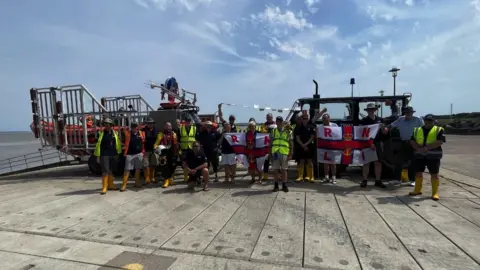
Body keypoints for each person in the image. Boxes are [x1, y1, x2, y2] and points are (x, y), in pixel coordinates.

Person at [408, 114, 445, 200]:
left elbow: (440, 141)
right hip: (419, 155)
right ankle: (417, 190)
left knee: (434, 174)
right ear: (424, 121)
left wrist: (426, 148)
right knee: (418, 172)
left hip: (433, 156)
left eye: (430, 120)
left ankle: (435, 193)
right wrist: (417, 148)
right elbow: (412, 140)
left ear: (433, 121)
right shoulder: (417, 130)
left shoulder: (439, 130)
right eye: (426, 120)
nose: (428, 122)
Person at [390, 106, 424, 186]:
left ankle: (412, 180)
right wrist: (384, 127)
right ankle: (397, 179)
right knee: (398, 161)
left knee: (412, 162)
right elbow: (392, 125)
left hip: (414, 143)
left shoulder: (418, 119)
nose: (408, 114)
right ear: (404, 113)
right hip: (403, 142)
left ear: (412, 113)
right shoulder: (400, 119)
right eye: (406, 112)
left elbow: (424, 129)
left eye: (409, 112)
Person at [359, 103, 388, 188]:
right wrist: (370, 143)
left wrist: (384, 128)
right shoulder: (364, 121)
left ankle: (378, 180)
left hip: (378, 143)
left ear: (375, 110)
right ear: (367, 111)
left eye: (372, 109)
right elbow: (362, 134)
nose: (371, 111)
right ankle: (364, 180)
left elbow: (385, 132)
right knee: (366, 163)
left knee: (378, 163)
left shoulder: (381, 120)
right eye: (369, 110)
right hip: (367, 143)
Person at [94, 118, 122, 195]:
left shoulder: (115, 133)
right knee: (105, 171)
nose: (107, 125)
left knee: (111, 170)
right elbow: (97, 143)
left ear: (111, 125)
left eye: (108, 124)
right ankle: (104, 187)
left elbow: (118, 143)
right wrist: (98, 155)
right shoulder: (100, 133)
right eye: (105, 124)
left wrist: (118, 153)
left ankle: (111, 185)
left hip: (113, 153)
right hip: (104, 154)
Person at [120, 123, 145, 191]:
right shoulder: (127, 133)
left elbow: (144, 142)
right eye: (133, 127)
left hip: (139, 154)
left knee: (138, 169)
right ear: (131, 128)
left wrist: (142, 152)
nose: (135, 128)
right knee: (127, 169)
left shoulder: (142, 133)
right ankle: (124, 185)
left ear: (138, 127)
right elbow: (122, 139)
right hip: (129, 154)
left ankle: (137, 183)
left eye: (136, 127)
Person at [153, 121, 178, 188]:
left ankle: (170, 179)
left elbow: (176, 144)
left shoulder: (174, 134)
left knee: (172, 166)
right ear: (164, 127)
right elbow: (156, 143)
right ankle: (166, 180)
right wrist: (155, 148)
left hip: (172, 152)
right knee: (164, 167)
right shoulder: (160, 134)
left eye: (169, 126)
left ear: (171, 127)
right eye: (167, 126)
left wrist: (177, 151)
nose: (168, 127)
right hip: (163, 153)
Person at [271, 116, 292, 192]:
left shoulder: (288, 131)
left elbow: (291, 143)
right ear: (276, 122)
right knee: (275, 170)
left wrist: (291, 154)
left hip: (284, 152)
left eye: (280, 121)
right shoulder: (273, 131)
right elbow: (270, 143)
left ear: (282, 122)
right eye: (278, 121)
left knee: (284, 170)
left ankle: (284, 185)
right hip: (275, 152)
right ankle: (276, 185)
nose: (279, 122)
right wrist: (270, 154)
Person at [294, 112, 315, 183]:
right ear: (301, 119)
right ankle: (300, 177)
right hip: (301, 146)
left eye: (306, 118)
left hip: (309, 146)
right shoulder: (298, 128)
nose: (304, 119)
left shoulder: (311, 127)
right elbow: (297, 138)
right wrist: (302, 145)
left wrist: (306, 144)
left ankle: (311, 177)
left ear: (308, 119)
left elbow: (312, 137)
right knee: (301, 161)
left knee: (309, 161)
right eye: (303, 118)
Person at [142, 117, 159, 184]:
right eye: (149, 123)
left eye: (151, 123)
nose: (150, 124)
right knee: (146, 165)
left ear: (153, 124)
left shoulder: (156, 131)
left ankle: (152, 178)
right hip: (146, 150)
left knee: (153, 164)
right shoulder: (143, 130)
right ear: (146, 124)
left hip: (154, 150)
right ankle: (147, 178)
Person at [260, 113, 276, 181]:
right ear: (266, 118)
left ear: (272, 117)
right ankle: (265, 176)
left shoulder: (276, 124)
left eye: (270, 117)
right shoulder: (263, 125)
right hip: (266, 146)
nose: (269, 118)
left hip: (275, 146)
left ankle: (278, 175)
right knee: (266, 161)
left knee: (275, 161)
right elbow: (261, 134)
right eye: (268, 117)